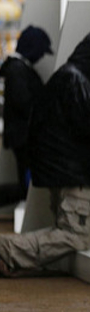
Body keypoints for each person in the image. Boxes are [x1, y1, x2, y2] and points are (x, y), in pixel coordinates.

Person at [0, 30, 90, 277]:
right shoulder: (77, 81)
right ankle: (6, 249)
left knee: (66, 231)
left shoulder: (66, 76)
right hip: (75, 175)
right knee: (74, 236)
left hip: (62, 172)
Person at [0, 25, 53, 206]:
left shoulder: (17, 68)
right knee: (26, 187)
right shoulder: (18, 70)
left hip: (23, 137)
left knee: (27, 186)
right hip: (24, 138)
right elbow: (24, 102)